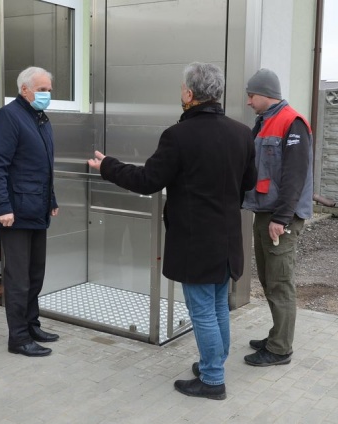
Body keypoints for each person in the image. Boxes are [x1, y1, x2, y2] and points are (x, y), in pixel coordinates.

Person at [87, 62, 256, 400]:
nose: (180, 93)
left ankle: (212, 379)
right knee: (218, 306)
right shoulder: (242, 133)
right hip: (227, 239)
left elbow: (147, 180)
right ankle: (213, 364)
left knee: (203, 310)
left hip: (196, 243)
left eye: (182, 88)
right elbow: (248, 182)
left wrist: (107, 166)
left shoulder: (178, 136)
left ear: (190, 94)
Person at [0, 66, 60, 357]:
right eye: (42, 90)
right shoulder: (8, 117)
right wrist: (1, 207)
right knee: (18, 278)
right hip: (14, 213)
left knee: (35, 274)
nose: (47, 95)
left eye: (49, 90)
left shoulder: (40, 119)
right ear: (24, 90)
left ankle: (31, 325)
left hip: (37, 209)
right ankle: (17, 338)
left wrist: (51, 199)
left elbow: (43, 168)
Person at [241, 69, 313, 366]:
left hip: (281, 218)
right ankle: (276, 336)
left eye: (251, 95)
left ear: (264, 93)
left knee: (280, 282)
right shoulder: (264, 122)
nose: (248, 101)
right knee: (269, 279)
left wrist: (281, 219)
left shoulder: (292, 122)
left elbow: (295, 176)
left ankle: (280, 349)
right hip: (265, 213)